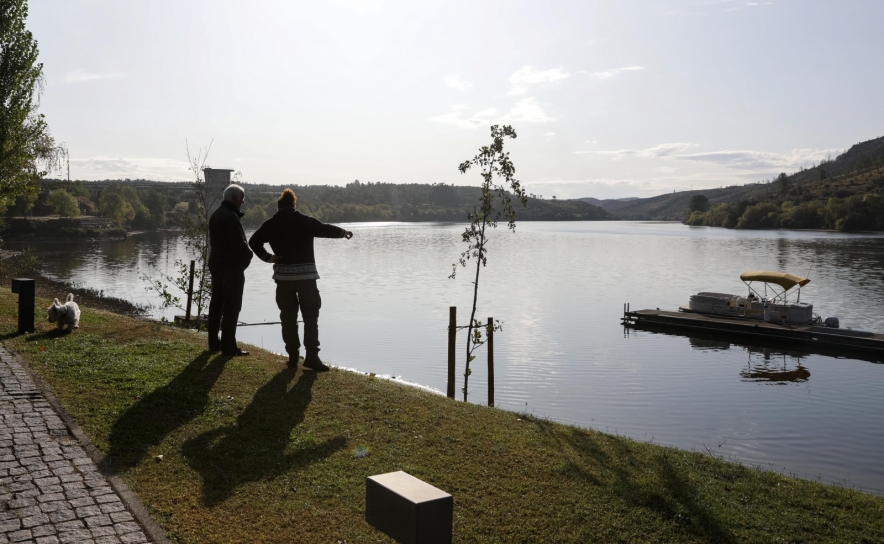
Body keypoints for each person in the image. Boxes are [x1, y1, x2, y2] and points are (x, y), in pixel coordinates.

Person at [248, 188, 353, 371]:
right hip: (306, 278)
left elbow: (253, 242)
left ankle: (293, 357)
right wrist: (343, 232)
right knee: (310, 317)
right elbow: (324, 229)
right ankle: (312, 357)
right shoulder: (305, 221)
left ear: (279, 206)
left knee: (288, 317)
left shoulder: (271, 223)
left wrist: (269, 258)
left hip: (283, 279)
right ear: (294, 205)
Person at [207, 184, 254, 356]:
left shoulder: (216, 215)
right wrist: (249, 255)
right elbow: (238, 244)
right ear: (234, 198)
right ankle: (229, 346)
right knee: (232, 306)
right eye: (242, 199)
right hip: (230, 266)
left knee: (216, 303)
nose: (243, 202)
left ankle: (213, 342)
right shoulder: (231, 217)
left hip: (216, 263)